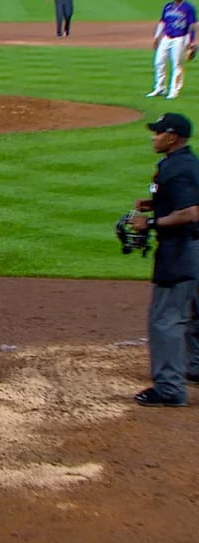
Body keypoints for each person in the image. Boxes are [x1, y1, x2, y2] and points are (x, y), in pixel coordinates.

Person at [129, 113, 199, 407]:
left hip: (183, 252)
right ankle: (195, 368)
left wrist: (152, 223)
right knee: (195, 313)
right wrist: (156, 204)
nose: (153, 137)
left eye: (158, 133)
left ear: (173, 137)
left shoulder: (177, 169)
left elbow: (191, 212)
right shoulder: (188, 163)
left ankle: (169, 389)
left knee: (166, 320)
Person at [147, 0, 197, 99]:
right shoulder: (168, 6)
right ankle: (160, 88)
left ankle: (174, 90)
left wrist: (190, 41)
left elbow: (192, 25)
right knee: (158, 62)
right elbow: (162, 22)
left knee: (177, 64)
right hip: (167, 37)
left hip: (180, 38)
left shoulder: (188, 7)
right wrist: (157, 37)